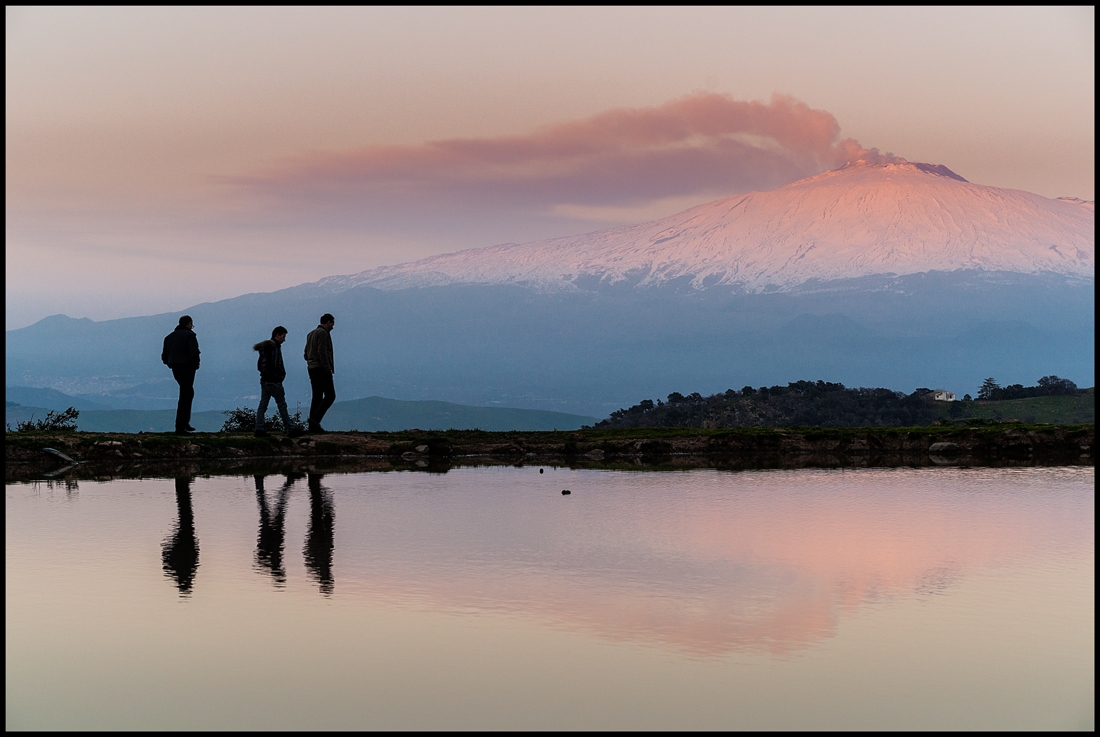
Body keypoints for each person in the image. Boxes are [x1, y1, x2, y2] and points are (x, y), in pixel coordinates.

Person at [253, 326, 305, 438]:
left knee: (263, 405)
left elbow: (259, 366)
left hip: (264, 381)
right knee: (282, 405)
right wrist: (281, 376)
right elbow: (277, 364)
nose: (284, 339)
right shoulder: (275, 348)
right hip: (274, 381)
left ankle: (259, 429)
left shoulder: (264, 349)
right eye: (283, 336)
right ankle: (290, 429)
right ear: (277, 335)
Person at [161, 315, 200, 434]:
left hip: (175, 368)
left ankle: (184, 423)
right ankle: (180, 426)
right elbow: (193, 352)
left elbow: (164, 356)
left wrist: (170, 363)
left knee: (186, 392)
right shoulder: (190, 335)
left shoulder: (169, 337)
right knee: (186, 394)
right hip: (188, 368)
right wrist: (195, 364)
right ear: (188, 324)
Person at [303, 313, 336, 433]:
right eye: (332, 323)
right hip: (321, 368)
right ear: (327, 322)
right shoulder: (323, 333)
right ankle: (314, 420)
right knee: (330, 395)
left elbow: (305, 353)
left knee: (317, 396)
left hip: (311, 368)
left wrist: (310, 361)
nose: (332, 327)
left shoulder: (311, 333)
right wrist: (327, 367)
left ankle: (313, 428)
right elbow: (322, 350)